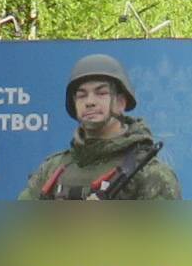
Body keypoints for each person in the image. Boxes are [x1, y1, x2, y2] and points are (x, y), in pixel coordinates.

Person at [21, 53, 180, 200]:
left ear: (120, 103)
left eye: (101, 93)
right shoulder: (52, 169)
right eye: (82, 95)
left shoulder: (149, 173)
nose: (90, 102)